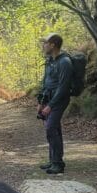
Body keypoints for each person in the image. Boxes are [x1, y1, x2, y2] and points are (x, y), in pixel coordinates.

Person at [37, 33, 72, 174]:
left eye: (45, 43)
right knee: (54, 128)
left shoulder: (65, 62)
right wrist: (41, 102)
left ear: (53, 45)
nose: (43, 45)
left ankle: (58, 163)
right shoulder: (50, 61)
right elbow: (45, 83)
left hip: (59, 100)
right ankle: (53, 160)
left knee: (51, 128)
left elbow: (63, 87)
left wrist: (50, 105)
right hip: (49, 99)